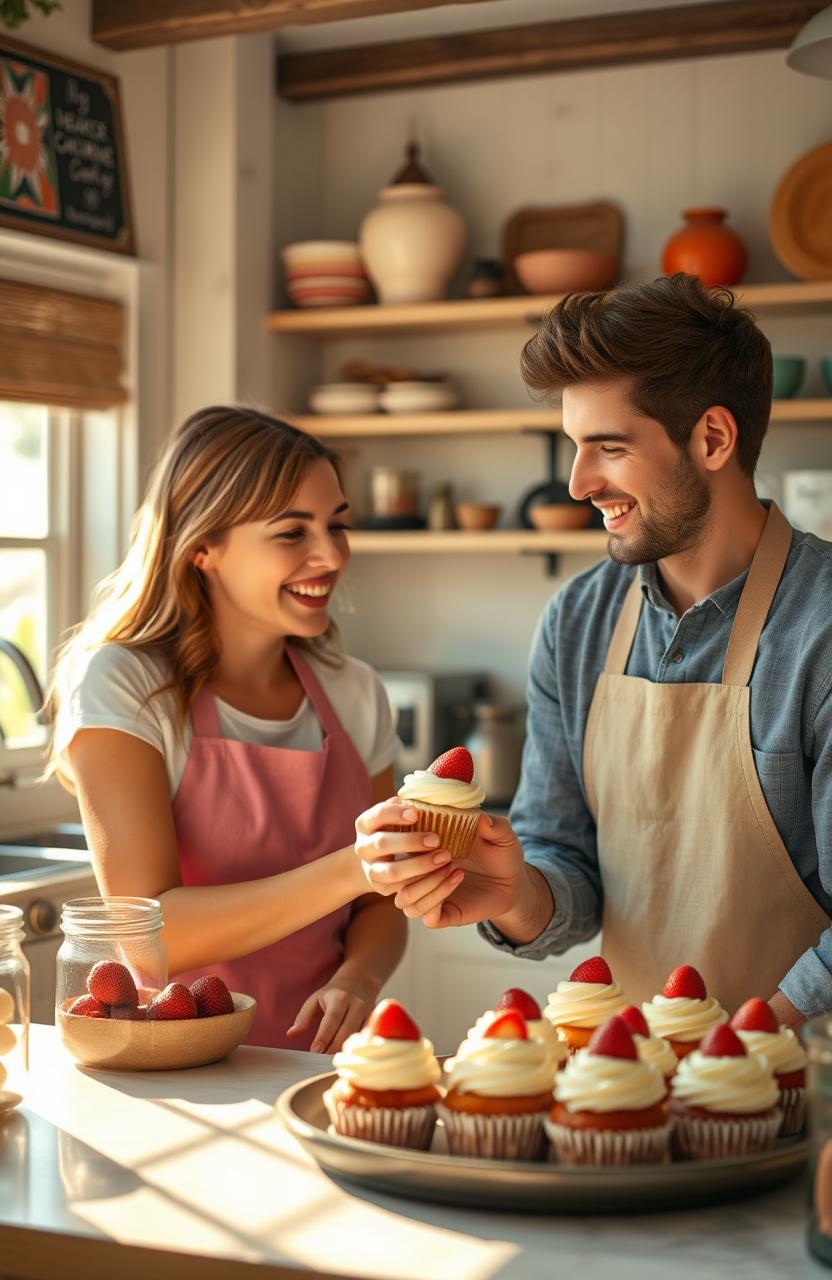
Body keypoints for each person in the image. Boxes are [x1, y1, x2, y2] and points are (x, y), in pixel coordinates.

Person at [356, 273, 832, 1028]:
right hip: (625, 1092)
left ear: (713, 438)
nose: (579, 483)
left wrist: (739, 1055)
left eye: (608, 448)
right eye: (574, 447)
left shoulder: (823, 628)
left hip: (801, 1096)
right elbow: (567, 874)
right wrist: (512, 892)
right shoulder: (578, 621)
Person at [46, 406, 455, 1051]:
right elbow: (149, 933)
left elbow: (380, 904)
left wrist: (359, 978)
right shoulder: (126, 684)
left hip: (321, 1066)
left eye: (337, 525)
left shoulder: (354, 691)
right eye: (293, 533)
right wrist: (357, 867)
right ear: (203, 546)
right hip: (178, 1068)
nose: (331, 554)